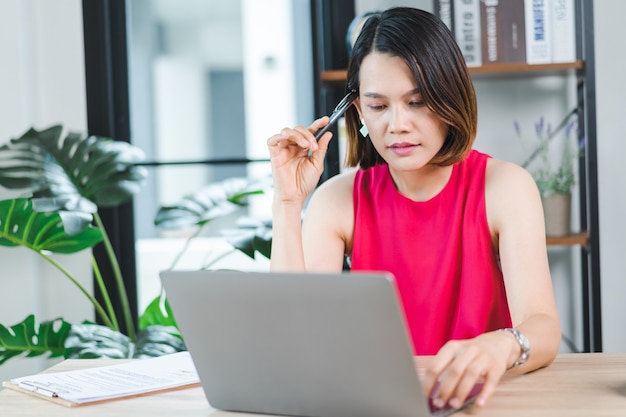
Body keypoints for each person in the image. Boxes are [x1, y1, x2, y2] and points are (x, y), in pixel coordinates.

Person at [266, 7, 560, 411]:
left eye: (417, 102)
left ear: (449, 99)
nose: (398, 124)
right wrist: (287, 202)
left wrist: (501, 345)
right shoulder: (338, 199)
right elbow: (292, 337)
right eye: (379, 106)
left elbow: (542, 327)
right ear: (359, 112)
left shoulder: (504, 187)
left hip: (481, 403)